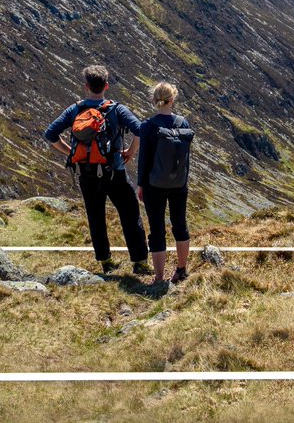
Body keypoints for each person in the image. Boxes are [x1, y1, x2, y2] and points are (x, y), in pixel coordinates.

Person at [44, 65, 151, 275]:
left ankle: (105, 261)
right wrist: (130, 151)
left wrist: (70, 153)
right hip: (115, 172)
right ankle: (139, 262)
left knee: (95, 216)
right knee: (130, 214)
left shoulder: (75, 109)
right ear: (106, 86)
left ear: (86, 87)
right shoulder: (116, 109)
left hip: (86, 173)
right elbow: (141, 130)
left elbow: (50, 134)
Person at [136, 81, 194, 288]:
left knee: (157, 230)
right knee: (180, 225)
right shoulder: (183, 124)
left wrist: (141, 185)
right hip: (179, 184)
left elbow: (144, 159)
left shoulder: (148, 126)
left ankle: (159, 278)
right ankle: (181, 269)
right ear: (173, 99)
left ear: (154, 100)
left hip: (154, 186)